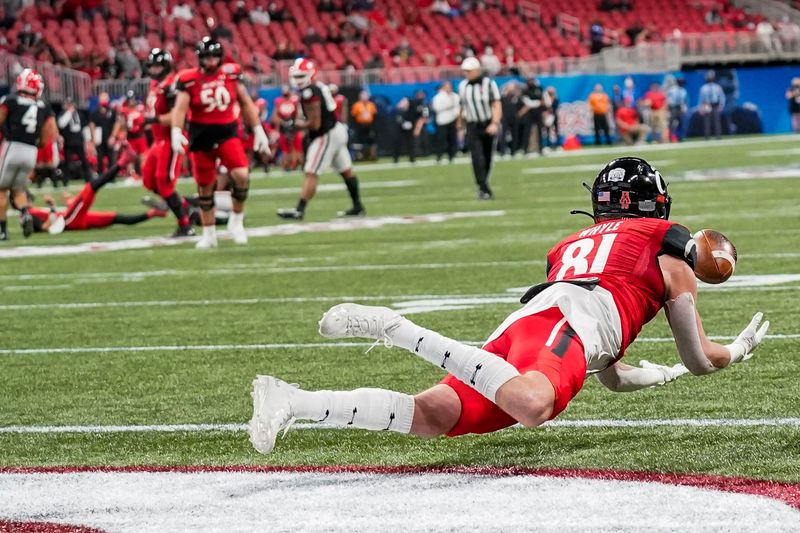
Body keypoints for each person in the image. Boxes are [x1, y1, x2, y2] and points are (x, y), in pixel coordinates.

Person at [248, 157, 770, 453]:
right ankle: (392, 326)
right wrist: (737, 350)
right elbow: (701, 355)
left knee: (434, 415)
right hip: (570, 325)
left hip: (531, 326)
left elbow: (609, 373)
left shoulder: (568, 247)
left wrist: (660, 375)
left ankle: (292, 401)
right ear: (646, 202)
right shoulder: (664, 243)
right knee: (533, 406)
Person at [172, 37, 271, 248]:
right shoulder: (189, 79)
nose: (210, 61)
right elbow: (180, 108)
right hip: (201, 134)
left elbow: (245, 102)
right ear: (200, 58)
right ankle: (209, 234)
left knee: (241, 175)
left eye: (214, 56)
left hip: (227, 131)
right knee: (205, 186)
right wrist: (175, 131)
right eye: (206, 57)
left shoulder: (231, 74)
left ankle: (236, 221)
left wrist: (258, 129)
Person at [276, 58, 365, 220]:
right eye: (296, 76)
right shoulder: (316, 87)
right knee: (346, 171)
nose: (298, 79)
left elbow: (315, 124)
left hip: (327, 134)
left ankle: (299, 209)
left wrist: (294, 125)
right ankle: (358, 206)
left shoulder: (310, 92)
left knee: (311, 171)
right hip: (335, 130)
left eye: (301, 75)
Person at [28, 148, 165, 234]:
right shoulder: (29, 215)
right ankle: (122, 162)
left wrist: (70, 202)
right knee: (91, 188)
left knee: (113, 218)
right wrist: (52, 206)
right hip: (69, 221)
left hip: (73, 218)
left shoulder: (31, 210)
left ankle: (154, 213)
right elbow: (46, 227)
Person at [142, 48, 194, 237]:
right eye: (152, 66)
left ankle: (185, 225)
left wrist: (152, 120)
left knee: (164, 183)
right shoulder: (156, 85)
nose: (155, 70)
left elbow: (177, 116)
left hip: (170, 139)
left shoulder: (172, 86)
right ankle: (186, 207)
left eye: (158, 66)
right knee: (149, 180)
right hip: (157, 141)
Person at [0, 68, 57, 240]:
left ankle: (2, 231)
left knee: (1, 190)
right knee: (18, 189)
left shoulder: (10, 100)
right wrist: (39, 144)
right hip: (31, 151)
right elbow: (50, 132)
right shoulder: (43, 105)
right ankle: (25, 212)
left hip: (12, 147)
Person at [458, 57, 501, 199]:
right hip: (472, 126)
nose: (467, 74)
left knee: (487, 157)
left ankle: (483, 186)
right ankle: (483, 187)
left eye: (469, 71)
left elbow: (496, 104)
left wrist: (494, 123)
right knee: (477, 157)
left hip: (487, 123)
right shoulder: (463, 86)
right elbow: (462, 106)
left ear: (477, 70)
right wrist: (460, 125)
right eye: (465, 71)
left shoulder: (489, 84)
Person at [57, 97, 91, 182]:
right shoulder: (62, 114)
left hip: (78, 141)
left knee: (84, 160)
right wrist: (69, 113)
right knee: (67, 161)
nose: (70, 106)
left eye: (71, 104)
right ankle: (66, 178)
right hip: (68, 141)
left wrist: (87, 140)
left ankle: (88, 177)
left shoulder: (79, 114)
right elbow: (61, 124)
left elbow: (84, 127)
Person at [271, 85, 303, 171]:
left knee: (297, 147)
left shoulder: (295, 100)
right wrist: (282, 122)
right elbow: (274, 117)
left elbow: (299, 115)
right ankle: (287, 165)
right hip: (283, 128)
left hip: (294, 128)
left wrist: (294, 122)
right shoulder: (279, 101)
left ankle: (296, 164)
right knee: (286, 149)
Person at [431, 82, 460, 163]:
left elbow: (458, 108)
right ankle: (439, 156)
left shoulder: (455, 96)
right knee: (441, 140)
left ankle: (451, 156)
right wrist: (448, 106)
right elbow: (436, 108)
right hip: (442, 121)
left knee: (452, 139)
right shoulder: (438, 97)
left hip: (452, 120)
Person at [89, 93, 117, 174]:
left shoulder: (111, 111)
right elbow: (92, 125)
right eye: (102, 98)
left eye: (106, 98)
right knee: (99, 157)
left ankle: (112, 176)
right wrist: (93, 138)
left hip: (109, 137)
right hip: (99, 138)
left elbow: (116, 124)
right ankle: (100, 175)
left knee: (111, 158)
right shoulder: (95, 112)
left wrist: (113, 136)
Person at [518, 76, 547, 155]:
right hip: (529, 114)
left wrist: (538, 103)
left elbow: (544, 100)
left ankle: (541, 148)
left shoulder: (539, 88)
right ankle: (525, 148)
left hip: (538, 113)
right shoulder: (525, 90)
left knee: (540, 131)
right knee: (526, 131)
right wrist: (538, 102)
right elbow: (528, 103)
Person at [351, 90, 378, 161]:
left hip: (369, 125)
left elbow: (375, 115)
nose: (364, 97)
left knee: (371, 141)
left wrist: (373, 126)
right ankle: (361, 156)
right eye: (363, 95)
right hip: (360, 125)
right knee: (360, 141)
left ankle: (372, 156)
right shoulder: (356, 105)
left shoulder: (371, 105)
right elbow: (353, 116)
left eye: (366, 95)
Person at [699, 70, 725, 140]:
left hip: (715, 104)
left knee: (717, 121)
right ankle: (707, 136)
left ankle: (718, 135)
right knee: (707, 121)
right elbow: (701, 99)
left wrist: (721, 105)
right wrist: (701, 108)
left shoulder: (717, 87)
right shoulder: (703, 88)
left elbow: (722, 96)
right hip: (707, 105)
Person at [666, 77, 689, 141]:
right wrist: (668, 108)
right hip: (673, 107)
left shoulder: (683, 91)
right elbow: (667, 99)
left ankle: (680, 137)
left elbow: (684, 100)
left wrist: (684, 107)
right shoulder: (672, 89)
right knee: (671, 122)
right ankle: (670, 137)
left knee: (681, 122)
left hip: (680, 107)